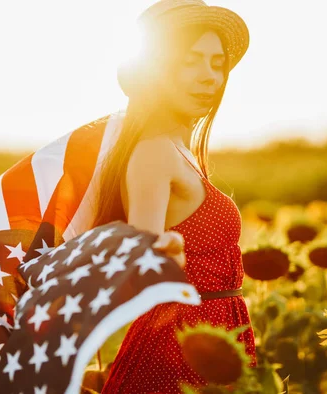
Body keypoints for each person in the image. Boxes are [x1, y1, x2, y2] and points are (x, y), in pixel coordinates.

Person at [87, 0, 257, 392]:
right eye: (191, 61)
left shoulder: (180, 152)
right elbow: (138, 256)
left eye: (217, 63)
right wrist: (160, 254)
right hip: (180, 344)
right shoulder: (154, 152)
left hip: (212, 336)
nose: (209, 76)